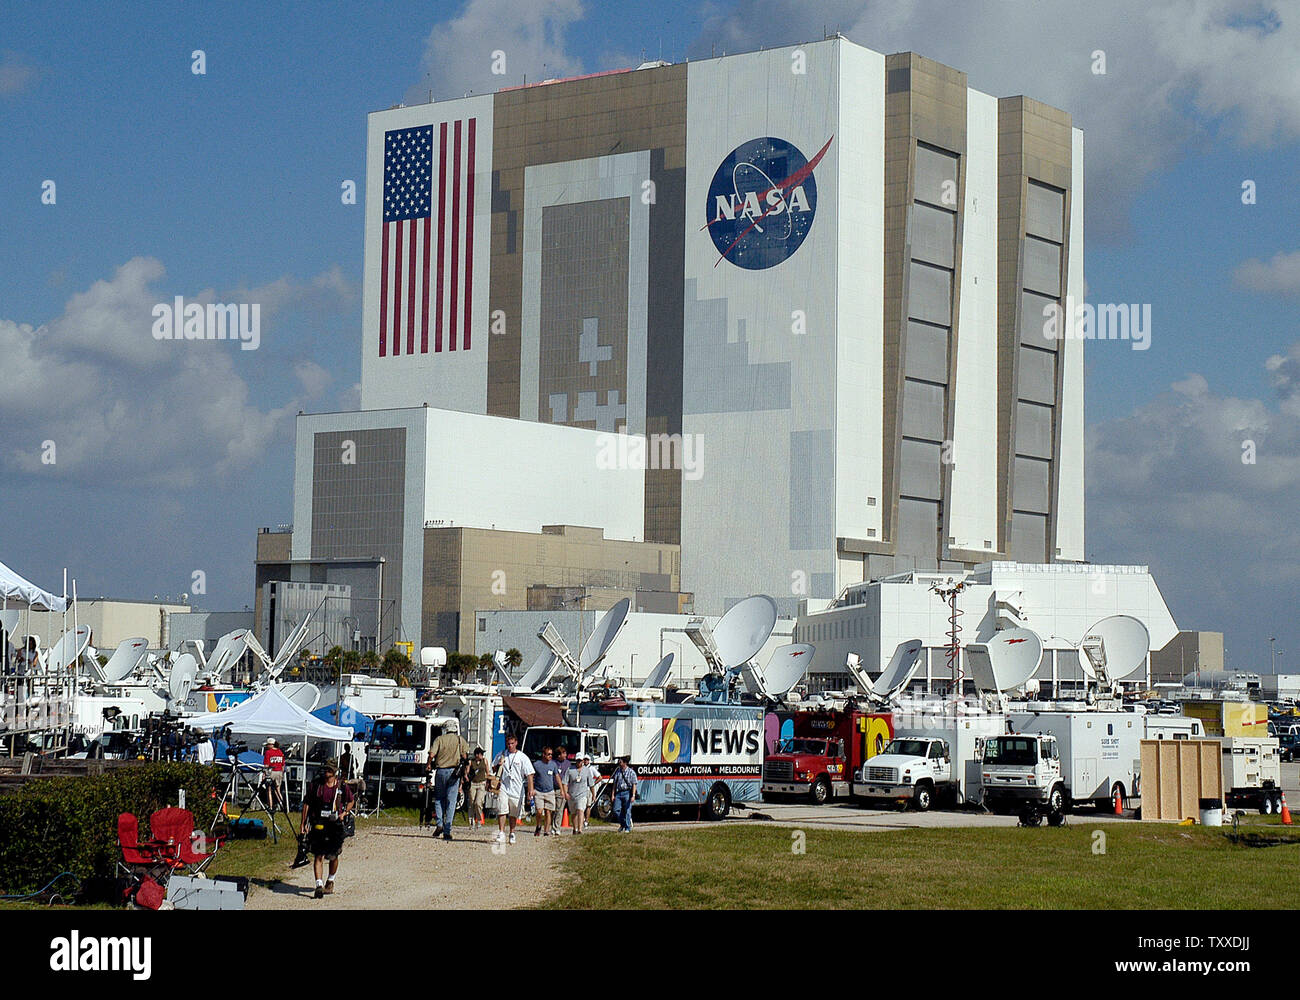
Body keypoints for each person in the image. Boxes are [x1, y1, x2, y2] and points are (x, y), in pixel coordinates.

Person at [300, 760, 355, 898]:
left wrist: (344, 813)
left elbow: (351, 801)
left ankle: (330, 881)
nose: (327, 772)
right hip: (318, 822)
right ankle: (318, 885)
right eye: (325, 770)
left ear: (335, 772)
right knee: (318, 854)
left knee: (333, 855)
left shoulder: (341, 786)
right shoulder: (316, 785)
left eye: (329, 770)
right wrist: (303, 823)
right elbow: (307, 803)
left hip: (335, 824)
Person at [429, 720, 470, 841]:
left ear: (445, 729)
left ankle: (439, 824)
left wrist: (428, 765)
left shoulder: (439, 739)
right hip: (454, 772)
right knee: (451, 801)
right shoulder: (459, 739)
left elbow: (431, 754)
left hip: (440, 771)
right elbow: (465, 756)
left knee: (439, 799)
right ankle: (447, 830)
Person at [491, 734, 534, 845]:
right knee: (502, 808)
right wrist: (498, 765)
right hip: (504, 786)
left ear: (516, 743)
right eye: (508, 743)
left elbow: (529, 774)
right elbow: (493, 768)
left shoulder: (522, 757)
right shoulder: (502, 754)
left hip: (517, 788)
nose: (510, 746)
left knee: (514, 812)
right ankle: (501, 832)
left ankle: (512, 832)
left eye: (512, 743)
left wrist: (531, 789)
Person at [531, 746, 562, 837]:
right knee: (539, 811)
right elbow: (531, 777)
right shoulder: (536, 764)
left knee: (549, 811)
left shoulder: (553, 765)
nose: (550, 756)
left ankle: (546, 830)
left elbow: (557, 777)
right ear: (543, 755)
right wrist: (531, 789)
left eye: (551, 754)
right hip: (539, 791)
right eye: (548, 754)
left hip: (550, 791)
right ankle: (538, 825)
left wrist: (562, 790)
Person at [564, 754, 598, 835]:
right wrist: (565, 793)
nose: (579, 762)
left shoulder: (587, 770)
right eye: (577, 760)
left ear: (583, 761)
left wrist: (593, 795)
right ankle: (575, 828)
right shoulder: (570, 770)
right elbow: (565, 783)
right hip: (572, 794)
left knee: (580, 810)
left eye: (580, 760)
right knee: (573, 813)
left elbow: (591, 784)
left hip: (582, 794)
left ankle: (580, 829)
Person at [611, 756, 638, 833]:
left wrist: (633, 795)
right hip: (619, 793)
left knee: (627, 810)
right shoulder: (618, 772)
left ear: (625, 763)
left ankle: (627, 827)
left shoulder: (631, 772)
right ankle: (623, 824)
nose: (619, 763)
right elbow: (614, 784)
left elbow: (634, 784)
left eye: (620, 762)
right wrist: (613, 795)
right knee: (616, 810)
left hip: (627, 793)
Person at [466, 747, 490, 829]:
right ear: (476, 754)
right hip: (473, 783)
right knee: (471, 802)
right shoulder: (471, 762)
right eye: (480, 754)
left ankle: (479, 820)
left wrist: (488, 782)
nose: (482, 755)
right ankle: (471, 821)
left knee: (478, 802)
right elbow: (467, 772)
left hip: (481, 783)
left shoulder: (485, 761)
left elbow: (488, 772)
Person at [551, 745, 572, 834]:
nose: (565, 755)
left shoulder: (568, 764)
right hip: (552, 789)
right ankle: (551, 826)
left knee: (560, 809)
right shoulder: (553, 763)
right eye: (563, 753)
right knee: (552, 809)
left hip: (562, 789)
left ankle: (557, 827)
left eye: (565, 753)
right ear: (558, 755)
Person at [263, 738, 286, 810]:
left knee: (269, 789)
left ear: (270, 745)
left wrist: (264, 774)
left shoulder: (268, 752)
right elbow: (283, 764)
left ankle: (270, 806)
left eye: (267, 745)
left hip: (271, 772)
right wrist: (282, 773)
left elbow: (266, 765)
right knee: (277, 789)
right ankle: (281, 805)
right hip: (279, 772)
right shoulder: (280, 752)